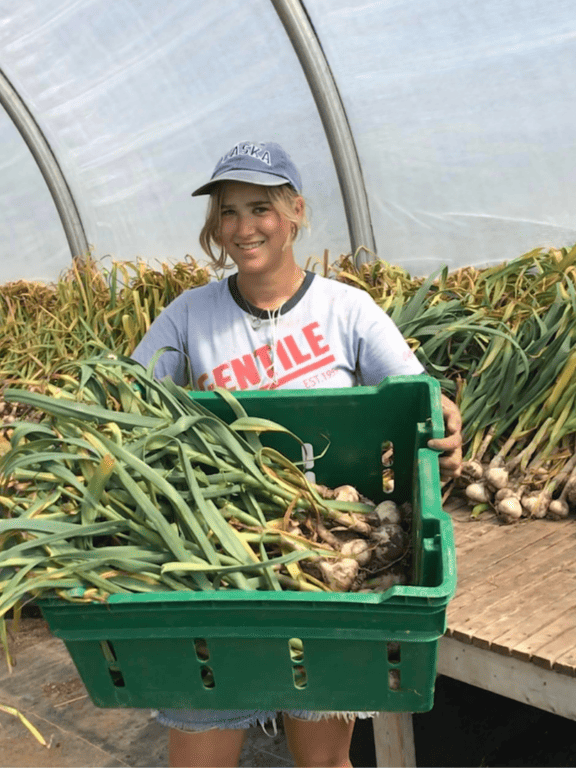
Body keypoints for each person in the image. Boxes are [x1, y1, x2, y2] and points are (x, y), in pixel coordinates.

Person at [131, 140, 462, 768]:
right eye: (228, 212)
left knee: (325, 763)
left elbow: (416, 396)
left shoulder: (346, 309)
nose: (243, 228)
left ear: (295, 212)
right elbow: (125, 396)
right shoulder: (189, 315)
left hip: (332, 566)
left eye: (260, 208)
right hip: (223, 565)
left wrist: (443, 415)